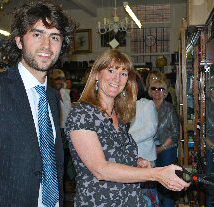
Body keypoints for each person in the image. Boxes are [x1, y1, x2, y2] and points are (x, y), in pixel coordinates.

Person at [0, 1, 75, 206]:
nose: (46, 45)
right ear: (19, 41)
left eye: (54, 37)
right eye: (37, 34)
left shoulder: (52, 98)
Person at [65, 49, 189, 206]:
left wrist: (136, 161)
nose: (116, 78)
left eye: (123, 73)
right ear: (97, 74)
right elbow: (100, 169)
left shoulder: (119, 116)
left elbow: (114, 154)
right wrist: (156, 174)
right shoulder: (82, 114)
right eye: (111, 70)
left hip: (131, 200)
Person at [128, 73, 159, 207]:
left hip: (145, 156)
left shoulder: (147, 104)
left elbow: (151, 129)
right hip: (129, 157)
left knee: (147, 196)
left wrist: (127, 139)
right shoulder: (120, 105)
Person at [149, 79, 180, 207]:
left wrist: (161, 149)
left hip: (167, 150)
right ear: (149, 91)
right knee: (153, 184)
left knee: (167, 184)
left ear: (165, 92)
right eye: (154, 88)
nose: (157, 91)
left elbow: (175, 133)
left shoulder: (170, 108)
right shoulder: (146, 107)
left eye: (160, 89)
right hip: (150, 150)